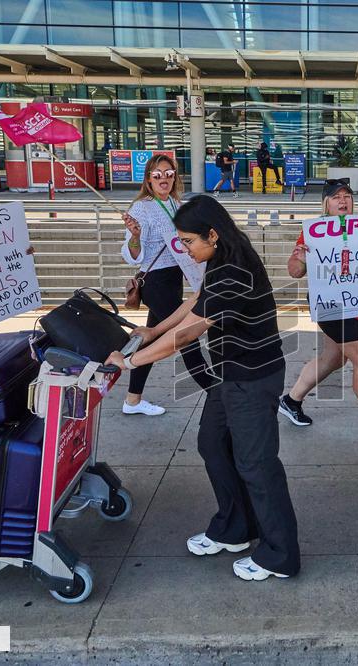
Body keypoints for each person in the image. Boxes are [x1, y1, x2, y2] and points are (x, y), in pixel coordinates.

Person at [105, 195, 299, 582]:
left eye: (189, 241)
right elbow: (196, 300)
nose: (184, 248)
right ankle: (235, 529)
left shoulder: (234, 268)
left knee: (257, 465)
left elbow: (188, 333)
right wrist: (153, 329)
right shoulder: (222, 256)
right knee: (212, 444)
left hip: (252, 377)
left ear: (212, 234)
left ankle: (281, 554)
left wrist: (131, 361)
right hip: (229, 374)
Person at [278, 178, 358, 436]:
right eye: (336, 196)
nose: (342, 200)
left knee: (333, 358)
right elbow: (294, 271)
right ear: (326, 204)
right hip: (332, 305)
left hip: (357, 303)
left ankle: (291, 401)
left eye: (347, 196)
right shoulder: (314, 231)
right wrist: (302, 259)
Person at [120, 154, 214, 416]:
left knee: (150, 339)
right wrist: (136, 237)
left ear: (175, 176)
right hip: (155, 282)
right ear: (148, 179)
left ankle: (132, 400)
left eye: (169, 173)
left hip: (176, 279)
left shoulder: (175, 204)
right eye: (157, 174)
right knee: (187, 336)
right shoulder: (141, 208)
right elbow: (131, 255)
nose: (164, 178)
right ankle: (216, 393)